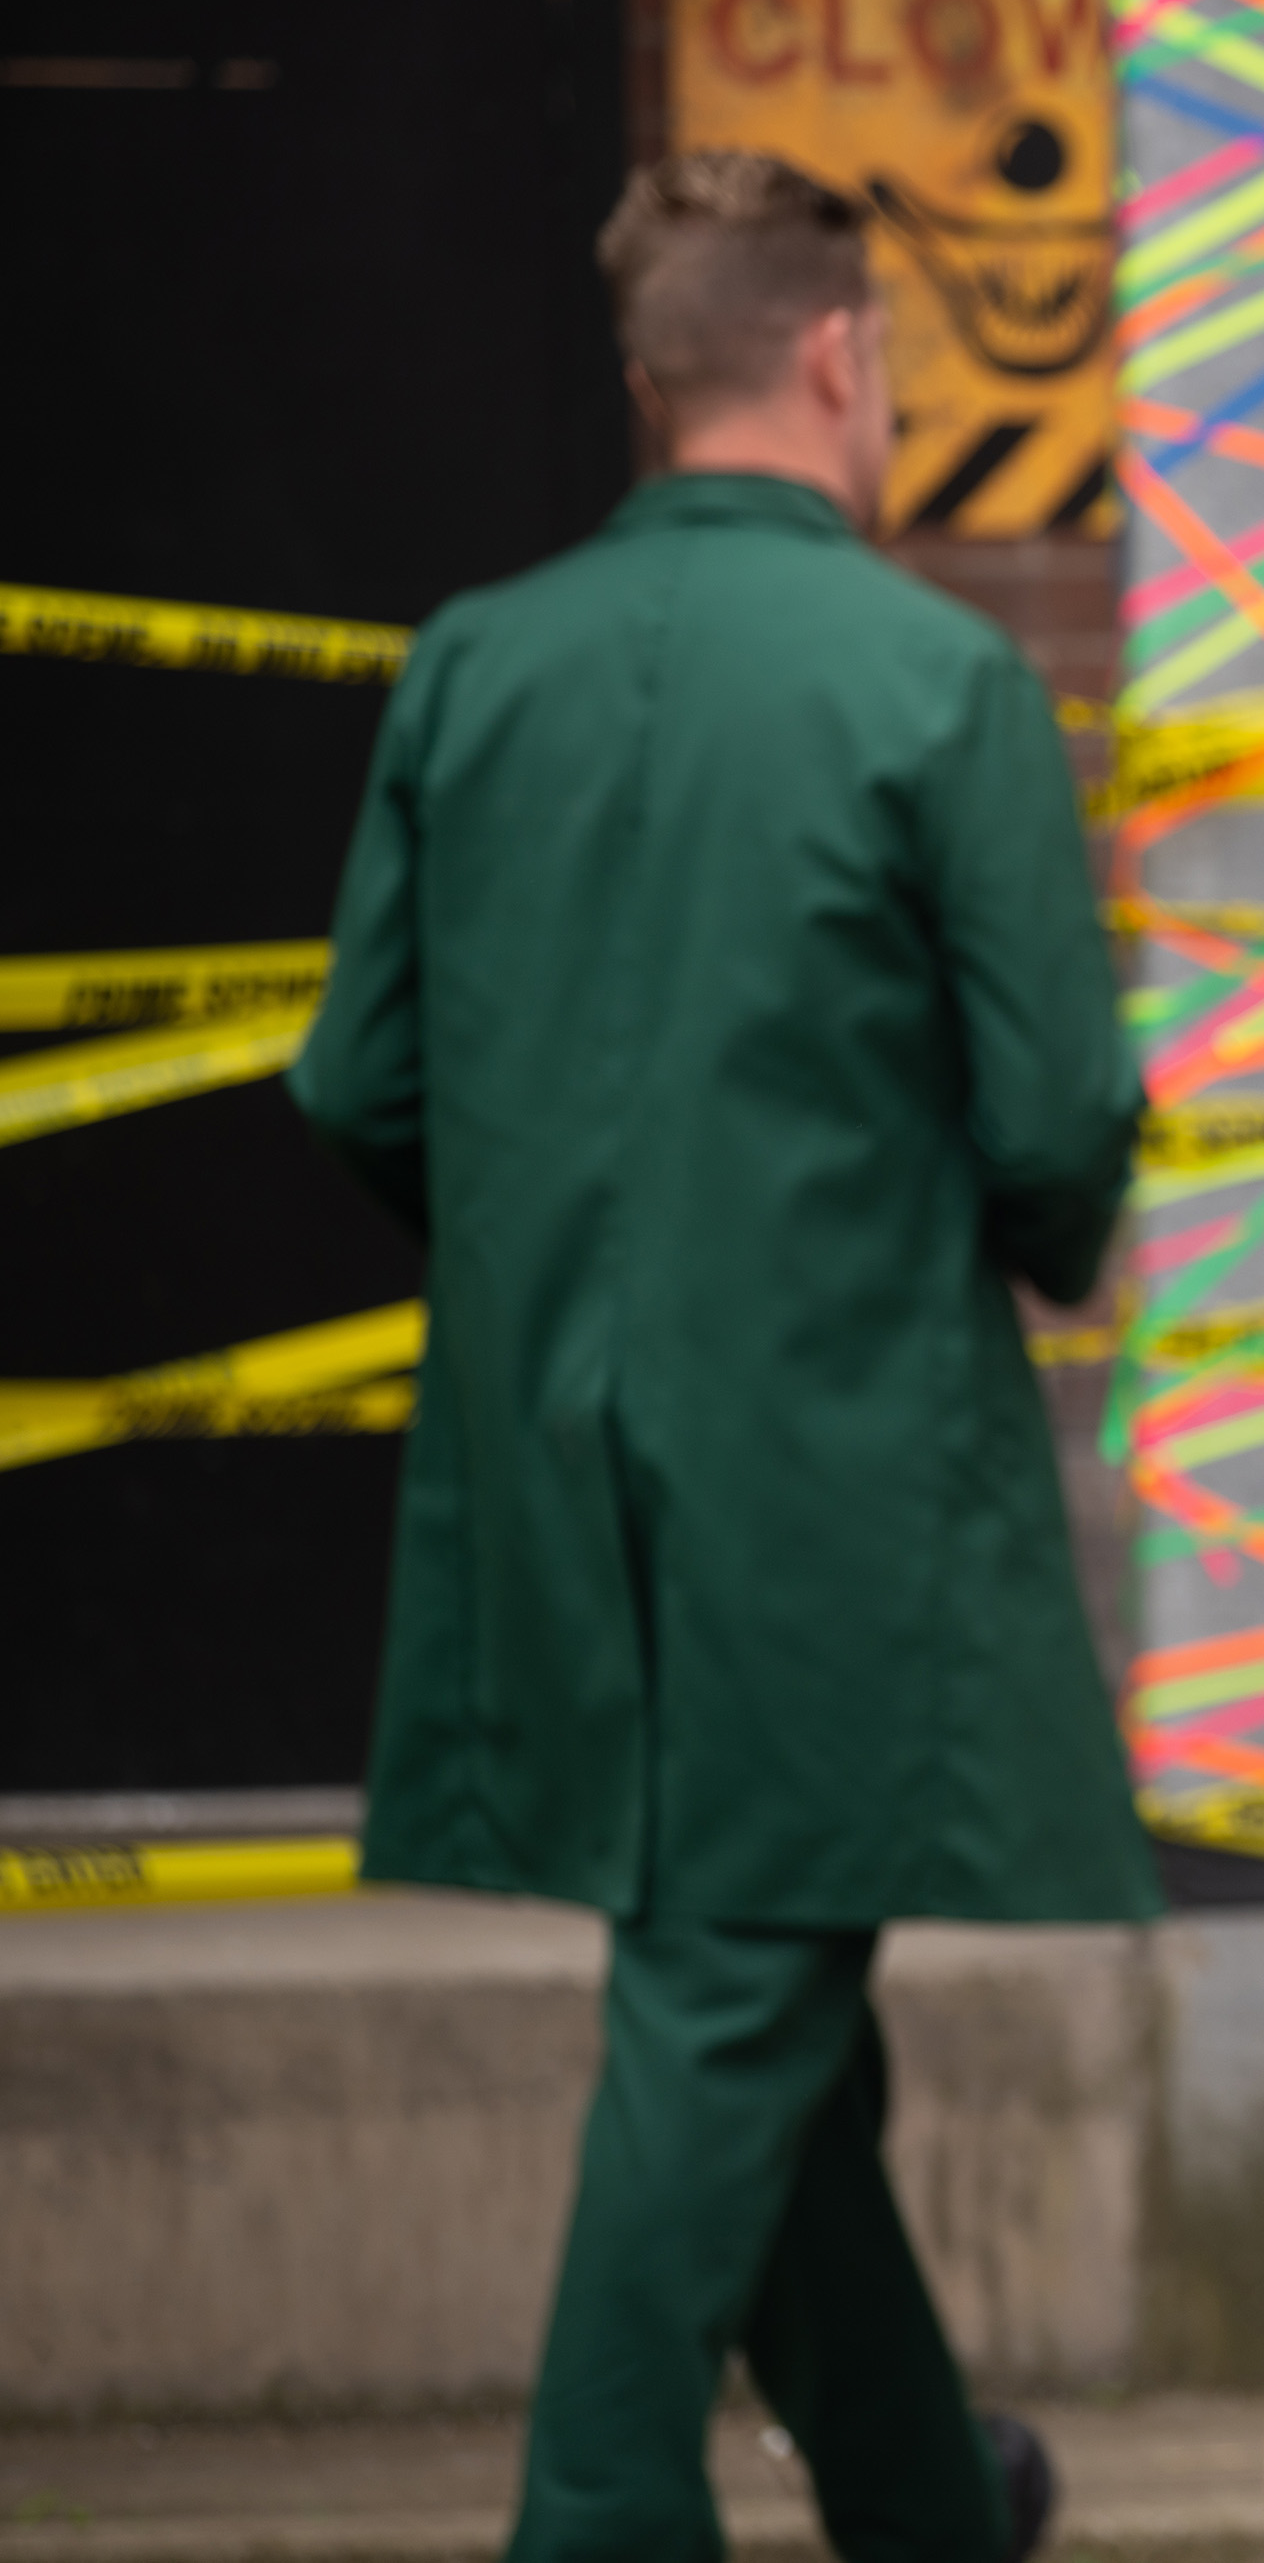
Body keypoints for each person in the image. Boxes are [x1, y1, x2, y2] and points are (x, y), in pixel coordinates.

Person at [290, 150, 1150, 2563]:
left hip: (543, 1454)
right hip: (836, 1454)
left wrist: (553, 1271)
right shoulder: (934, 678)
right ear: (841, 357)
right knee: (738, 1988)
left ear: (646, 376)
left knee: (752, 1996)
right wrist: (1013, 1243)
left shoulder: (474, 662)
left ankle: (929, 2511)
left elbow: (358, 1079)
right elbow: (1056, 1117)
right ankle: (593, 2513)